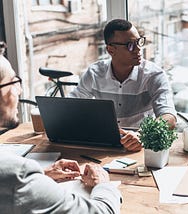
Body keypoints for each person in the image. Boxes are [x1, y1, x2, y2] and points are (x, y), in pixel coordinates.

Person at [0, 42, 121, 213]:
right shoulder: (17, 175)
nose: (19, 90)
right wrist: (103, 185)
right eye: (14, 82)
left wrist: (39, 177)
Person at [69, 19, 177, 152]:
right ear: (111, 50)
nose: (138, 49)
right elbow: (71, 107)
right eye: (130, 45)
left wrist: (143, 134)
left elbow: (169, 117)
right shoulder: (94, 73)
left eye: (139, 42)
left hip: (141, 147)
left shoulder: (154, 75)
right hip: (103, 147)